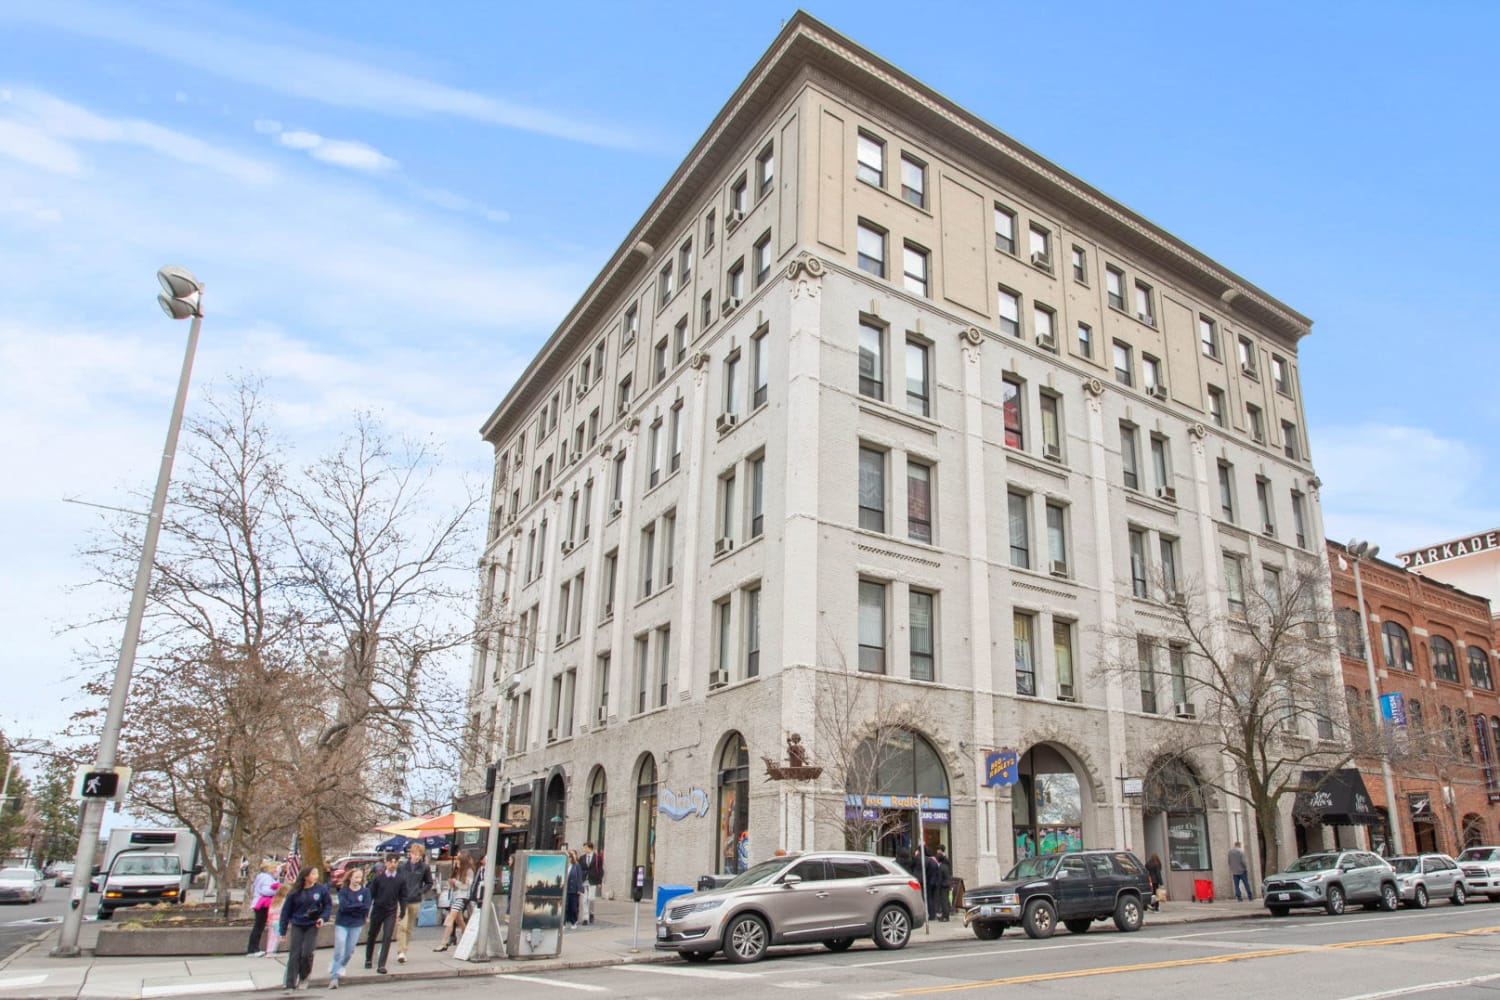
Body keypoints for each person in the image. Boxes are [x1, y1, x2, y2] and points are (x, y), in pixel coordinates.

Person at [278, 866, 331, 991]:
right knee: (295, 953)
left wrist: (323, 917)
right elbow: (286, 912)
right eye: (313, 874)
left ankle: (304, 976)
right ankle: (290, 983)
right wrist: (283, 931)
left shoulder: (320, 889)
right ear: (306, 876)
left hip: (312, 924)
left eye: (316, 873)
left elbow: (327, 905)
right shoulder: (295, 891)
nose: (316, 876)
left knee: (307, 953)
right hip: (297, 923)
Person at [329, 865, 371, 988]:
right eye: (356, 877)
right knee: (340, 946)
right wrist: (357, 906)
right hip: (342, 922)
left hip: (356, 923)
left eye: (360, 877)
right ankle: (334, 976)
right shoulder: (344, 891)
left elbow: (366, 906)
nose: (358, 879)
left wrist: (355, 906)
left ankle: (342, 965)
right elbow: (344, 907)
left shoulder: (365, 891)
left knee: (349, 950)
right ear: (350, 878)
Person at [394, 842, 433, 964]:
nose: (416, 857)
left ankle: (404, 950)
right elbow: (397, 881)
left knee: (409, 927)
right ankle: (400, 951)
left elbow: (429, 883)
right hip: (402, 900)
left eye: (419, 855)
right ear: (410, 854)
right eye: (414, 854)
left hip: (415, 899)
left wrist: (420, 891)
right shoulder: (402, 867)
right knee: (402, 926)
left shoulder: (424, 868)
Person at [363, 855, 402, 974]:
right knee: (372, 934)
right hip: (378, 909)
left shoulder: (400, 879)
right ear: (386, 863)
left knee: (387, 936)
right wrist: (366, 912)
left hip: (391, 910)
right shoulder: (378, 878)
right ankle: (368, 958)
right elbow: (371, 896)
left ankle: (381, 964)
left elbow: (403, 896)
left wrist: (402, 911)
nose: (393, 864)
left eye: (395, 862)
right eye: (391, 862)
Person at [434, 855, 472, 951]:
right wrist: (451, 883)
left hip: (462, 897)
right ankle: (466, 936)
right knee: (459, 920)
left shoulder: (468, 871)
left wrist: (455, 882)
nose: (457, 864)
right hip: (455, 896)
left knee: (450, 918)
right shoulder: (458, 871)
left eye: (458, 862)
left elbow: (466, 886)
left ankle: (444, 942)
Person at [246, 861, 280, 957]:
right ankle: (253, 949)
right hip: (262, 904)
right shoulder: (267, 878)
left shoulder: (261, 876)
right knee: (259, 926)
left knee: (258, 926)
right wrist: (277, 890)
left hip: (258, 903)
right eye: (274, 868)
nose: (276, 870)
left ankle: (253, 948)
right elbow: (265, 891)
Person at [264, 881, 291, 958]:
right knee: (277, 937)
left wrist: (269, 919)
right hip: (279, 920)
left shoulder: (274, 900)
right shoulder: (284, 901)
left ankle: (269, 950)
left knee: (271, 936)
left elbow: (270, 911)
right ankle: (272, 951)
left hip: (271, 920)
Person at [578, 842, 602, 925]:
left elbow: (600, 870)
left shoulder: (597, 858)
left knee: (591, 898)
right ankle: (585, 918)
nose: (584, 849)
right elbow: (579, 869)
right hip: (584, 880)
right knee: (585, 899)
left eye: (585, 848)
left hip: (593, 880)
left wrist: (599, 881)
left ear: (590, 848)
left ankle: (591, 913)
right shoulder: (582, 858)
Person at [564, 850, 584, 930]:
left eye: (568, 857)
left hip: (574, 889)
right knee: (565, 906)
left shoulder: (576, 865)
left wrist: (579, 888)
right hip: (566, 889)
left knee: (573, 907)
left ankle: (573, 921)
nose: (568, 859)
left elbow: (579, 877)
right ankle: (564, 922)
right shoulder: (564, 865)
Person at [935, 847, 952, 921]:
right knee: (946, 900)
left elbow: (940, 878)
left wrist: (938, 887)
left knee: (944, 901)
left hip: (943, 885)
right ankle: (946, 915)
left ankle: (945, 916)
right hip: (947, 884)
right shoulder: (945, 866)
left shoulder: (941, 867)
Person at [924, 848, 941, 921]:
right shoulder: (935, 861)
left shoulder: (927, 861)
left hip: (929, 882)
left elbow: (927, 873)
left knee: (929, 898)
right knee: (933, 898)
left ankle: (931, 915)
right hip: (935, 882)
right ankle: (933, 913)